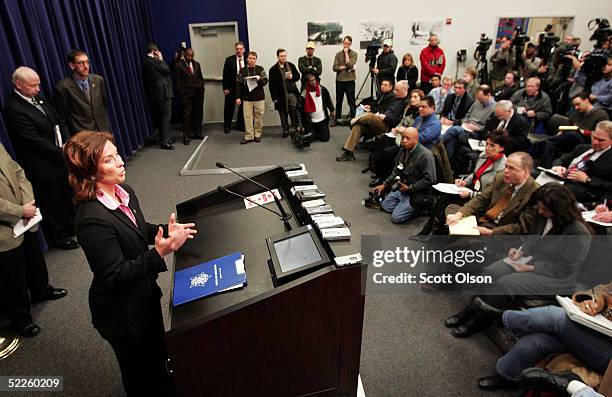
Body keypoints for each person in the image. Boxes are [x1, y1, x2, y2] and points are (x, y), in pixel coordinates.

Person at [63, 131, 196, 395]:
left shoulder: (125, 192)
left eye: (117, 154)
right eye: (109, 160)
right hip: (121, 312)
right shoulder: (91, 220)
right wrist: (159, 253)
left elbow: (138, 230)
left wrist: (166, 230)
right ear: (90, 173)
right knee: (139, 375)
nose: (121, 162)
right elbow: (115, 274)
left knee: (158, 356)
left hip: (144, 296)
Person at [447, 183, 592, 340]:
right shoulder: (542, 213)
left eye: (545, 209)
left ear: (560, 210)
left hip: (556, 276)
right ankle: (470, 310)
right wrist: (521, 250)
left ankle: (478, 321)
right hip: (533, 259)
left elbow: (565, 268)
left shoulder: (578, 233)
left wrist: (530, 267)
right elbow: (533, 239)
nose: (540, 211)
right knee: (491, 272)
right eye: (540, 207)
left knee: (506, 283)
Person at [472, 279, 611, 391]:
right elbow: (603, 290)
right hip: (596, 332)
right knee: (538, 340)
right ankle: (507, 376)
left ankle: (502, 318)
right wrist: (593, 300)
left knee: (556, 317)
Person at [4, 66, 78, 250]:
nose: (38, 89)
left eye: (38, 85)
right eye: (33, 86)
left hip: (59, 159)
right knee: (52, 203)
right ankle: (60, 237)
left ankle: (72, 227)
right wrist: (62, 152)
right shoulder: (14, 108)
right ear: (19, 84)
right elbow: (33, 140)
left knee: (65, 196)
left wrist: (67, 144)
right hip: (41, 166)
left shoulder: (38, 98)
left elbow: (58, 120)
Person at [0, 143, 67, 337]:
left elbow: (17, 170)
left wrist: (27, 201)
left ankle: (41, 290)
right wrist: (21, 211)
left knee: (33, 258)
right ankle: (21, 320)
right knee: (12, 277)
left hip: (25, 216)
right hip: (5, 227)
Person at [417, 130, 509, 237]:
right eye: (486, 144)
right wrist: (465, 181)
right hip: (470, 189)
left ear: (501, 148)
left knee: (445, 201)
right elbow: (475, 174)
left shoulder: (502, 169)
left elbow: (490, 196)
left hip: (480, 199)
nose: (487, 148)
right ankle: (431, 231)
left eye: (492, 145)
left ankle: (434, 233)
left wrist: (470, 194)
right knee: (442, 198)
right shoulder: (484, 155)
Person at [446, 151, 538, 235]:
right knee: (452, 210)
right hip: (484, 218)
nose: (506, 171)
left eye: (511, 168)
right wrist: (459, 215)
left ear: (525, 173)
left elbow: (520, 227)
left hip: (500, 229)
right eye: (506, 166)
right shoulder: (501, 177)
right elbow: (481, 199)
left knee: (459, 236)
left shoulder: (535, 193)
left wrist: (491, 232)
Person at [373, 126, 436, 224]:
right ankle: (403, 204)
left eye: (408, 138)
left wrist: (410, 188)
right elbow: (396, 171)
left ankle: (420, 209)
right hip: (403, 188)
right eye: (403, 137)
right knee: (385, 206)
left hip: (417, 192)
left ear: (416, 139)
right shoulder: (403, 151)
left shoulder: (425, 155)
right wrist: (384, 185)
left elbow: (430, 180)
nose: (404, 140)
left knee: (396, 218)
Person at [336, 79, 408, 161]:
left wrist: (385, 117)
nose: (395, 92)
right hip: (380, 121)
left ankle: (350, 121)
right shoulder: (394, 97)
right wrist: (377, 112)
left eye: (397, 90)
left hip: (388, 126)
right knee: (357, 126)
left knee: (370, 116)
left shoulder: (406, 103)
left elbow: (399, 120)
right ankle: (348, 153)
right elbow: (382, 108)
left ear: (405, 90)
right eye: (395, 89)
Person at [540, 92, 609, 168]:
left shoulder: (601, 115)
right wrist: (561, 132)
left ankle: (544, 141)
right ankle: (546, 170)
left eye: (578, 104)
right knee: (549, 146)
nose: (576, 107)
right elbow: (568, 127)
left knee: (573, 134)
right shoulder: (576, 113)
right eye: (575, 105)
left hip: (586, 142)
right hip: (570, 140)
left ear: (586, 101)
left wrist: (583, 131)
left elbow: (602, 134)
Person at [550, 120, 612, 204]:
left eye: (601, 140)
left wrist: (588, 180)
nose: (595, 142)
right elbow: (561, 159)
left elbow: (609, 187)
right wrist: (558, 167)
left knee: (552, 190)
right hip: (561, 179)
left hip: (583, 190)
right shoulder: (582, 148)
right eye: (594, 137)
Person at [54, 49, 111, 136]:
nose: (86, 66)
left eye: (87, 62)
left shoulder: (98, 80)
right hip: (84, 137)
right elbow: (62, 118)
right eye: (81, 63)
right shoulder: (63, 87)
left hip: (104, 132)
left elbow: (103, 105)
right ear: (72, 65)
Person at [442, 85, 497, 159]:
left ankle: (438, 141)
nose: (479, 101)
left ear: (488, 95)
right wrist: (465, 122)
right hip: (466, 125)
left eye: (481, 98)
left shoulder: (495, 109)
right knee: (452, 140)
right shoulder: (477, 102)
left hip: (476, 131)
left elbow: (488, 128)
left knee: (455, 129)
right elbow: (467, 115)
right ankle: (446, 163)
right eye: (478, 98)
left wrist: (478, 128)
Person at [142, 43, 174, 150]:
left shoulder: (147, 61)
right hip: (162, 94)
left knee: (162, 118)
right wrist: (161, 59)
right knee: (165, 117)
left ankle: (165, 138)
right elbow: (166, 70)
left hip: (158, 94)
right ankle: (165, 141)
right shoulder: (152, 61)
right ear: (155, 52)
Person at [235, 51, 268, 144]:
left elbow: (265, 81)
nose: (252, 60)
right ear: (247, 59)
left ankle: (257, 134)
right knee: (247, 117)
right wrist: (237, 97)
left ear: (256, 59)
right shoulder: (242, 71)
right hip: (247, 98)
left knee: (259, 117)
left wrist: (260, 79)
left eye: (254, 58)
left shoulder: (260, 69)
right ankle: (249, 135)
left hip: (259, 98)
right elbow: (238, 84)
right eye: (250, 58)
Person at [174, 48, 205, 145]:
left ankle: (198, 133)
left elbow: (200, 77)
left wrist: (202, 88)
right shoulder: (178, 65)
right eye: (188, 56)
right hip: (186, 95)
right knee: (187, 115)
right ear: (184, 55)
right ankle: (186, 136)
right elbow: (177, 81)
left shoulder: (197, 64)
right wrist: (181, 93)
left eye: (192, 56)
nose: (190, 58)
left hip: (198, 94)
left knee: (198, 113)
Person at [269, 49, 301, 138]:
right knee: (282, 114)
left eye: (285, 56)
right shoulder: (273, 69)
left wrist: (292, 77)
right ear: (278, 57)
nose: (283, 58)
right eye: (281, 56)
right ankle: (285, 130)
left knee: (293, 112)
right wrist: (274, 98)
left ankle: (295, 129)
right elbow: (271, 85)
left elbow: (298, 76)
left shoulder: (291, 65)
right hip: (280, 96)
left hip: (292, 94)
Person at [300, 73, 334, 142]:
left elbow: (328, 101)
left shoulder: (322, 90)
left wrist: (332, 110)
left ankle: (317, 131)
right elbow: (298, 110)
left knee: (325, 138)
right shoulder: (304, 94)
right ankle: (314, 131)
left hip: (322, 120)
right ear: (307, 82)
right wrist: (300, 125)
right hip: (311, 122)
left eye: (314, 80)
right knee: (308, 140)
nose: (314, 82)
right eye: (311, 81)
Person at [332, 36, 358, 124]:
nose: (346, 45)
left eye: (347, 43)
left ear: (350, 44)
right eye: (344, 43)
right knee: (339, 101)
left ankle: (354, 119)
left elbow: (349, 64)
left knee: (351, 101)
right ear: (343, 43)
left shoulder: (354, 54)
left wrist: (346, 54)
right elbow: (334, 67)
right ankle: (337, 119)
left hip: (350, 81)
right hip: (339, 81)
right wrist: (344, 67)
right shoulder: (338, 54)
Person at [222, 42, 246, 134]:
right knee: (229, 107)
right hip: (231, 87)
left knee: (243, 107)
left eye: (240, 49)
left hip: (244, 87)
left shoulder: (248, 58)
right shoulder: (229, 60)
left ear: (244, 50)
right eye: (237, 49)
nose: (239, 51)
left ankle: (240, 125)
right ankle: (227, 125)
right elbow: (225, 74)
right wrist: (225, 87)